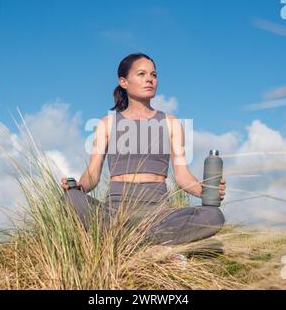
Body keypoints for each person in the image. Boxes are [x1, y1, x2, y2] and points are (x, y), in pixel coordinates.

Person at [61, 53, 226, 249]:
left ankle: (127, 242)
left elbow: (182, 177)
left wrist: (205, 190)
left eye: (153, 75)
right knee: (71, 199)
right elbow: (93, 173)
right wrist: (77, 187)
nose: (150, 79)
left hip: (159, 214)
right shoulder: (107, 124)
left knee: (214, 215)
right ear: (123, 82)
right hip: (115, 213)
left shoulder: (171, 123)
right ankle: (147, 243)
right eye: (141, 74)